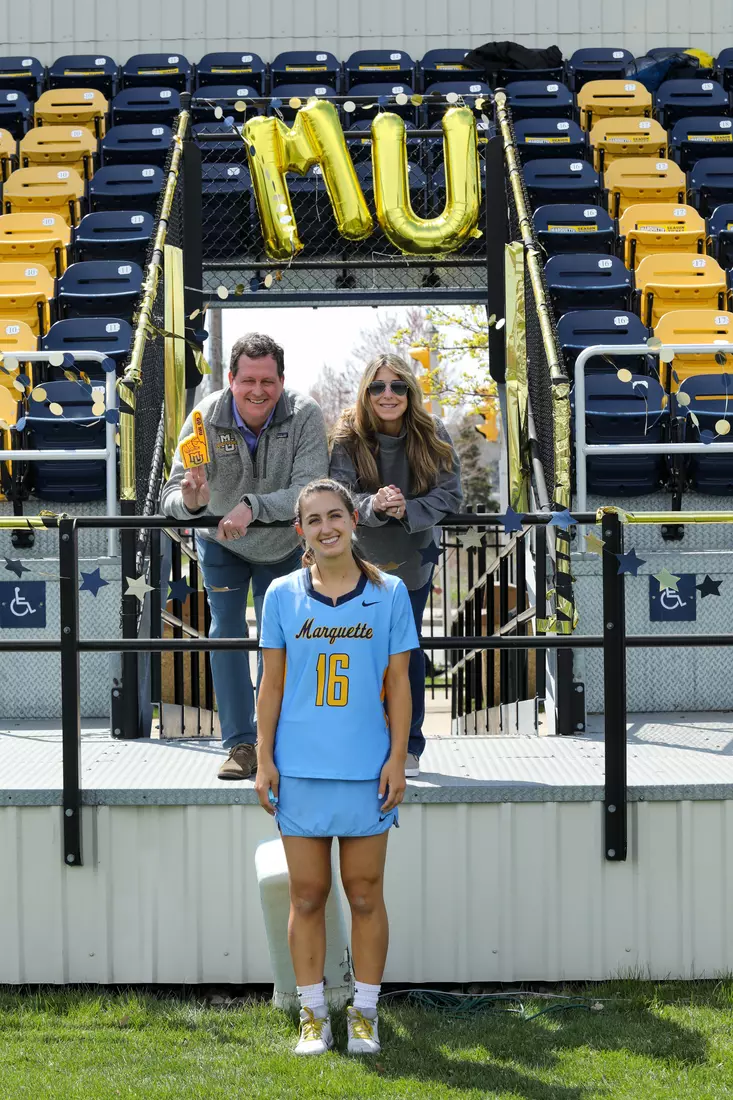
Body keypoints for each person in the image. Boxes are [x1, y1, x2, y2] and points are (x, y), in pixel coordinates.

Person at [254, 478, 418, 1057]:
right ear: (300, 530)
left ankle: (365, 1012)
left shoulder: (390, 592)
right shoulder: (280, 595)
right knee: (306, 895)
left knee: (366, 893)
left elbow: (399, 685)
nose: (327, 527)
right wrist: (265, 758)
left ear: (354, 520)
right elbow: (271, 685)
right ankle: (313, 1013)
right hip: (300, 768)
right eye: (314, 519)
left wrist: (398, 759)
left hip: (366, 768)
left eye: (336, 516)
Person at [161, 333, 329, 781]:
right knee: (227, 632)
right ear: (231, 379)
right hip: (220, 542)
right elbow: (171, 497)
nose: (258, 390)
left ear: (282, 380)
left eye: (268, 381)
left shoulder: (306, 414)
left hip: (281, 544)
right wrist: (193, 504)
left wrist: (252, 505)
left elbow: (309, 491)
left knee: (278, 639)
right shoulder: (202, 418)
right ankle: (239, 743)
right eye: (248, 380)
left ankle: (272, 742)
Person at [329, 353, 462, 778]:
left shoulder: (433, 431)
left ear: (410, 391)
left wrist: (407, 508)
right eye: (378, 387)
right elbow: (338, 496)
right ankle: (359, 742)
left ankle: (408, 747)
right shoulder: (347, 437)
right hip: (358, 565)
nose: (388, 395)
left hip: (412, 565)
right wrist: (374, 505)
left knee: (405, 654)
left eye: (397, 386)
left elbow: (451, 495)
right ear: (366, 393)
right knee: (358, 652)